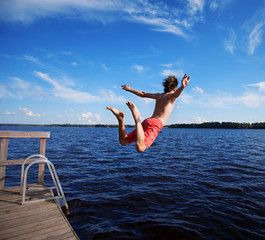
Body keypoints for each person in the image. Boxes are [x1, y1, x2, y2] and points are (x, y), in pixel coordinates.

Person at [107, 74, 190, 152]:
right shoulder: (170, 96)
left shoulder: (159, 96)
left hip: (147, 121)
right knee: (140, 147)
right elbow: (176, 94)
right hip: (156, 124)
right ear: (175, 88)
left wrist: (129, 89)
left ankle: (120, 118)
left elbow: (143, 94)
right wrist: (182, 87)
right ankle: (137, 118)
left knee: (124, 141)